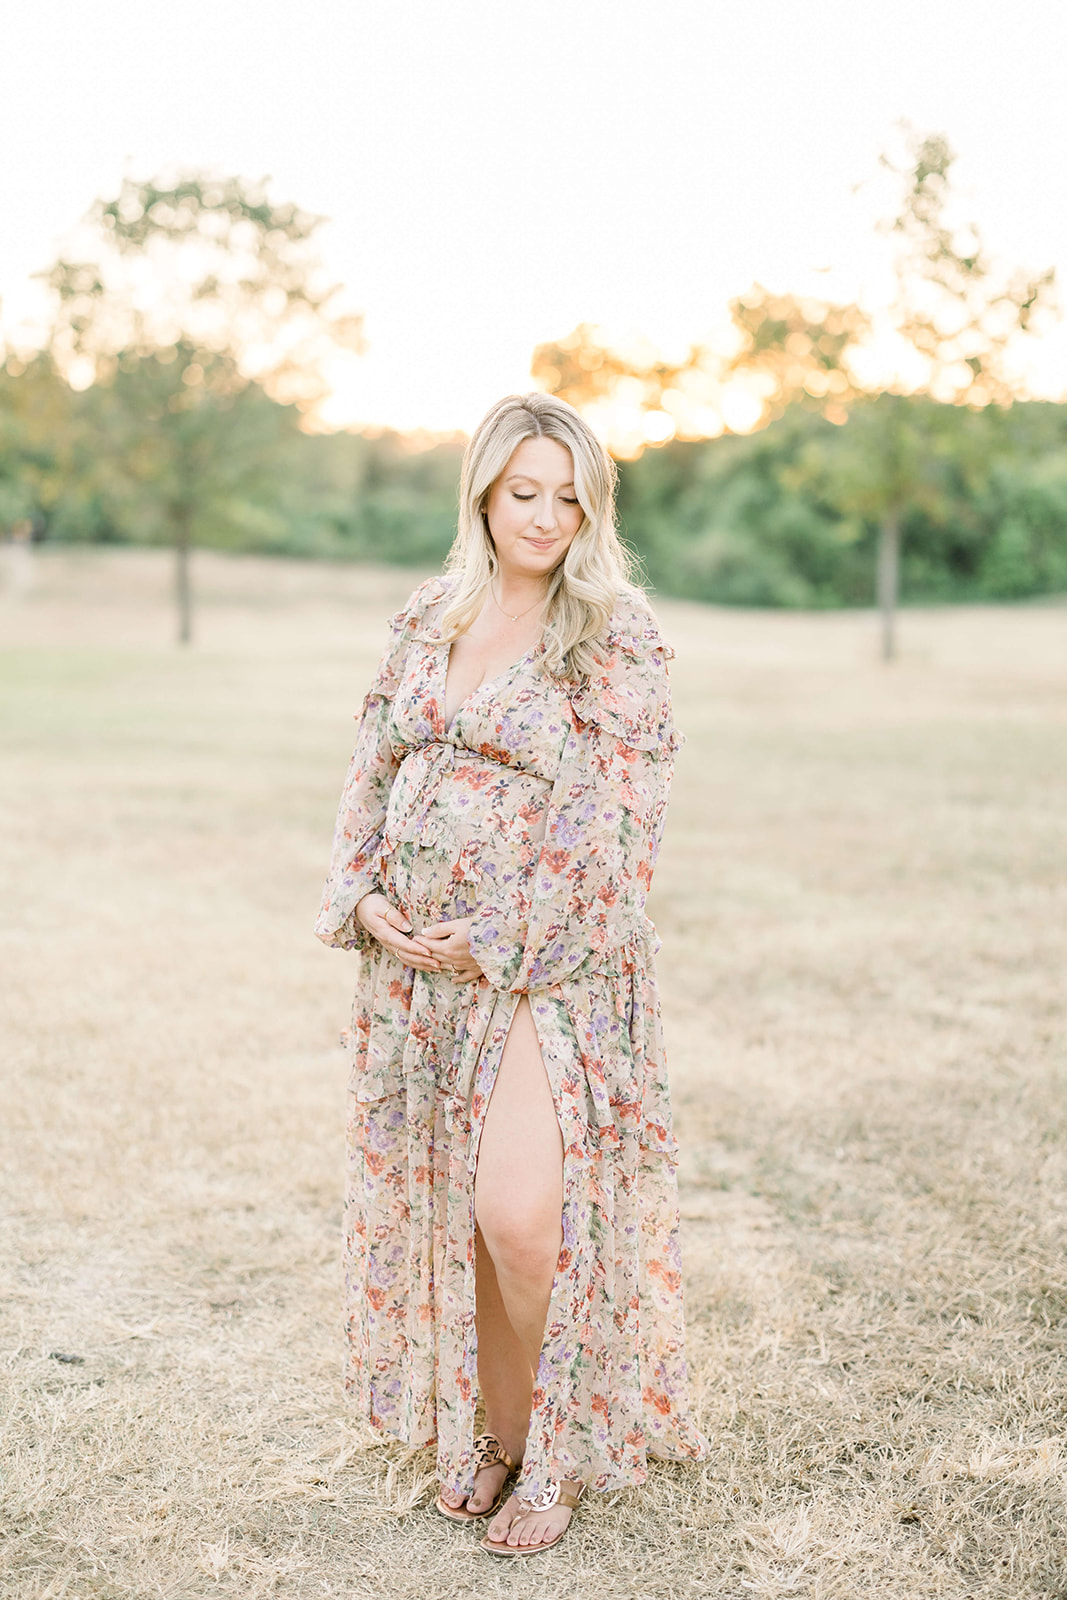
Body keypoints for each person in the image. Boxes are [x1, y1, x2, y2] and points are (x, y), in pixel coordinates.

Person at [315, 392, 706, 1557]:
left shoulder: (610, 636)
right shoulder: (429, 617)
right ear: (483, 491)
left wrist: (495, 932)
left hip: (546, 972)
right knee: (465, 1217)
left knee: (521, 1215)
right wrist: (369, 895)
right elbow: (371, 766)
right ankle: (497, 1431)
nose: (544, 515)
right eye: (523, 490)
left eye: (569, 493)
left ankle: (566, 1437)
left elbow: (620, 826)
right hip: (415, 975)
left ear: (595, 505)